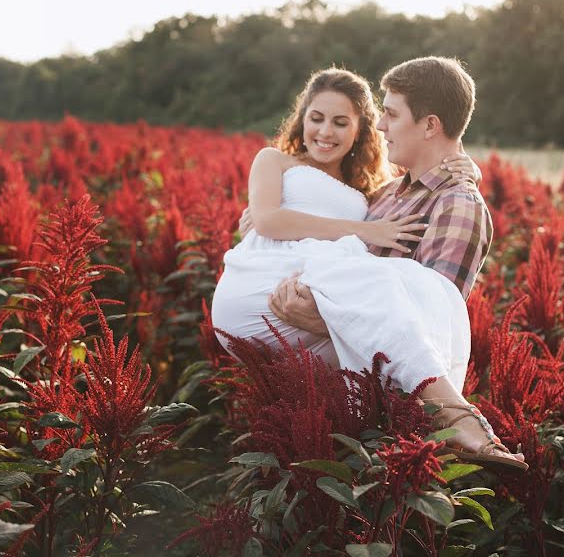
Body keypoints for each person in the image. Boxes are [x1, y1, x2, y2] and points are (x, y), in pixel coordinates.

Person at [213, 60, 527, 471]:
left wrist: (323, 319)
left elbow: (430, 314)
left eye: (391, 114)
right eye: (316, 118)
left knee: (405, 281)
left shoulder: (457, 205)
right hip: (281, 317)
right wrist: (263, 218)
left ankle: (451, 413)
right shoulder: (385, 196)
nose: (381, 125)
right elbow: (289, 224)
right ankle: (457, 414)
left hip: (364, 396)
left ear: (430, 125)